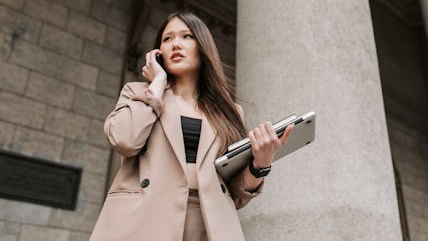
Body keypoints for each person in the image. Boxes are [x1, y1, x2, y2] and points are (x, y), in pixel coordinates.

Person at [90, 12, 293, 241]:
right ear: (157, 53)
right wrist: (157, 85)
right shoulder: (138, 93)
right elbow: (124, 140)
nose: (175, 44)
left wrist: (261, 164)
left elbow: (234, 194)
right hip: (146, 221)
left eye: (186, 36)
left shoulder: (229, 111)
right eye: (167, 39)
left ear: (203, 46)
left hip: (208, 226)